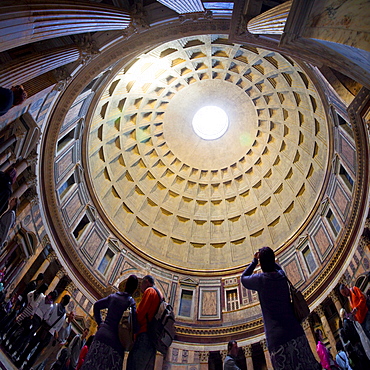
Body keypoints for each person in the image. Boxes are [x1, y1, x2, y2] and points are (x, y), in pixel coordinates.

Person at [241, 247, 320, 369]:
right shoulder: (281, 275)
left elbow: (244, 278)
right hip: (295, 331)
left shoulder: (261, 280)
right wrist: (268, 259)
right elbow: (277, 267)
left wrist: (254, 261)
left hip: (277, 339)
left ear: (261, 264)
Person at [81, 274, 138, 370]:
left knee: (90, 365)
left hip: (102, 334)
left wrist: (100, 323)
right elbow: (134, 325)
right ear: (135, 289)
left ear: (125, 285)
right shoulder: (131, 302)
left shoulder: (114, 296)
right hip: (116, 341)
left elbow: (97, 305)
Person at [18, 294, 70, 370]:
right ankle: (28, 367)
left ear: (62, 299)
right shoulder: (64, 315)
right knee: (38, 352)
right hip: (50, 334)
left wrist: (46, 321)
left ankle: (20, 362)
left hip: (44, 329)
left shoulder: (55, 306)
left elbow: (46, 316)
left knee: (31, 346)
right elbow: (58, 328)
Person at [126, 275, 162, 370]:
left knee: (133, 365)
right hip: (153, 340)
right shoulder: (160, 295)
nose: (140, 287)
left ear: (146, 282)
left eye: (141, 283)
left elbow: (140, 313)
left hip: (144, 335)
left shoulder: (150, 291)